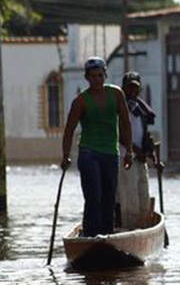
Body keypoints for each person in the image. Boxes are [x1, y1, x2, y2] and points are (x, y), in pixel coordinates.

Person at [61, 57, 133, 237]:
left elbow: (125, 122)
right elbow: (69, 129)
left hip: (110, 153)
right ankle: (90, 235)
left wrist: (129, 151)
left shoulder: (116, 94)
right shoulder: (81, 101)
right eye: (93, 76)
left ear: (105, 75)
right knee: (94, 196)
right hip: (88, 153)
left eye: (100, 75)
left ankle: (106, 236)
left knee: (109, 197)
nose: (97, 80)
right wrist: (65, 156)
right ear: (87, 77)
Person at [117, 71, 160, 229]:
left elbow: (145, 134)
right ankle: (130, 229)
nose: (133, 92)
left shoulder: (140, 109)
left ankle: (143, 228)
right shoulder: (120, 107)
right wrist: (134, 150)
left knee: (144, 195)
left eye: (136, 88)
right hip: (125, 158)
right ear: (124, 88)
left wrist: (153, 157)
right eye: (130, 88)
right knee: (130, 198)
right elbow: (119, 134)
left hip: (140, 159)